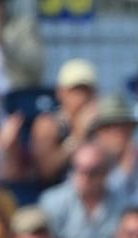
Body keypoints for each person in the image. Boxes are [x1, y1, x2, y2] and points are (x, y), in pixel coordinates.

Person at [39, 140, 126, 238]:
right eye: (78, 169)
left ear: (107, 172)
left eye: (92, 172)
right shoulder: (53, 201)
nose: (84, 177)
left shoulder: (123, 204)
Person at [30, 58, 98, 186]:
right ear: (61, 93)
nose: (82, 97)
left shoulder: (101, 124)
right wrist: (77, 136)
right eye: (76, 91)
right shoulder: (49, 124)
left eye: (86, 91)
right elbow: (46, 172)